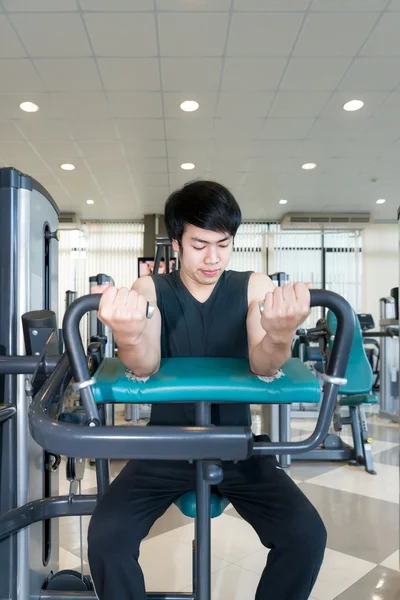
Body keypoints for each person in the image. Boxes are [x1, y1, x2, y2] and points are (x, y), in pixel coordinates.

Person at [87, 181, 327, 600]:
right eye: (200, 244)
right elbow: (145, 362)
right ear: (177, 242)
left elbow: (263, 361)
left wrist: (281, 333)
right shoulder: (150, 290)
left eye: (224, 243)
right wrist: (127, 335)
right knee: (107, 539)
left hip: (237, 447)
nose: (213, 257)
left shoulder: (254, 286)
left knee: (306, 536)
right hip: (165, 447)